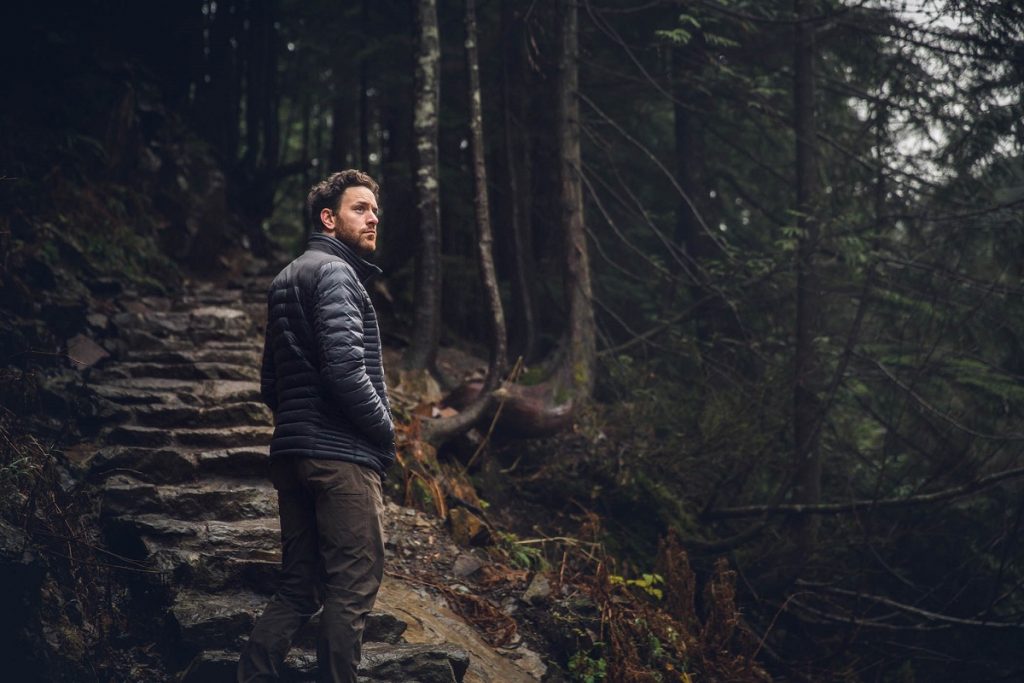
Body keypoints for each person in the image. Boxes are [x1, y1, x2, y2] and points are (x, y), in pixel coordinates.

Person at [238, 170, 395, 683]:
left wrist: (299, 433)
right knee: (350, 591)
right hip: (341, 459)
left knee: (297, 588)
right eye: (360, 208)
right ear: (329, 218)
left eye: (374, 209)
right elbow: (346, 372)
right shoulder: (336, 275)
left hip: (293, 457)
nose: (373, 217)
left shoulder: (286, 277)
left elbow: (270, 384)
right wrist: (385, 432)